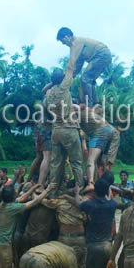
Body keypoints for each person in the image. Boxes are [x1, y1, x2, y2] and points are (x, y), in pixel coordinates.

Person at [0, 182, 54, 268]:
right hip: (4, 247)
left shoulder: (3, 204)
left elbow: (21, 198)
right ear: (12, 196)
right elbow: (35, 202)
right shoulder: (14, 208)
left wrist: (32, 189)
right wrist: (48, 190)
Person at [78, 179, 118, 268]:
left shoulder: (89, 205)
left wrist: (76, 192)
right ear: (107, 191)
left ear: (94, 191)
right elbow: (112, 200)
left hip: (93, 247)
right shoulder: (112, 205)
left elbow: (78, 203)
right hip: (108, 247)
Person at [45, 67, 84, 195]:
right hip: (69, 129)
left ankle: (52, 192)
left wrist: (53, 81)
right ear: (62, 80)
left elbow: (44, 91)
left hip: (56, 131)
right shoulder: (63, 89)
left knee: (55, 164)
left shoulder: (49, 94)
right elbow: (71, 67)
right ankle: (80, 191)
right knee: (76, 162)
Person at [42, 188, 87, 268]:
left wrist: (36, 191)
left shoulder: (59, 202)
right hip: (80, 239)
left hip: (64, 239)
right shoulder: (84, 202)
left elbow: (41, 200)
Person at [56, 27, 112, 106]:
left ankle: (88, 104)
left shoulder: (76, 43)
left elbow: (70, 65)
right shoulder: (78, 48)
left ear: (67, 37)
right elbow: (76, 68)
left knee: (85, 78)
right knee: (89, 79)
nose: (63, 44)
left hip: (102, 54)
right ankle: (95, 103)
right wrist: (67, 78)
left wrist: (63, 77)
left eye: (63, 41)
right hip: (103, 55)